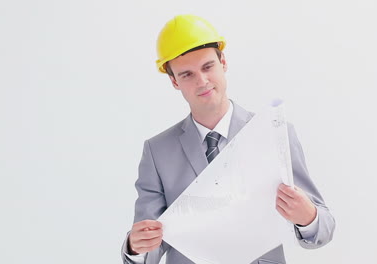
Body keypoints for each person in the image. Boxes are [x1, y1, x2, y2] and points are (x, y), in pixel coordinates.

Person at [121, 14, 335, 264]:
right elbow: (149, 249)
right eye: (187, 74)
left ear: (223, 62)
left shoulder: (274, 133)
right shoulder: (157, 152)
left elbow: (323, 230)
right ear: (174, 81)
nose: (202, 81)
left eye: (207, 67)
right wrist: (135, 247)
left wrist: (308, 217)